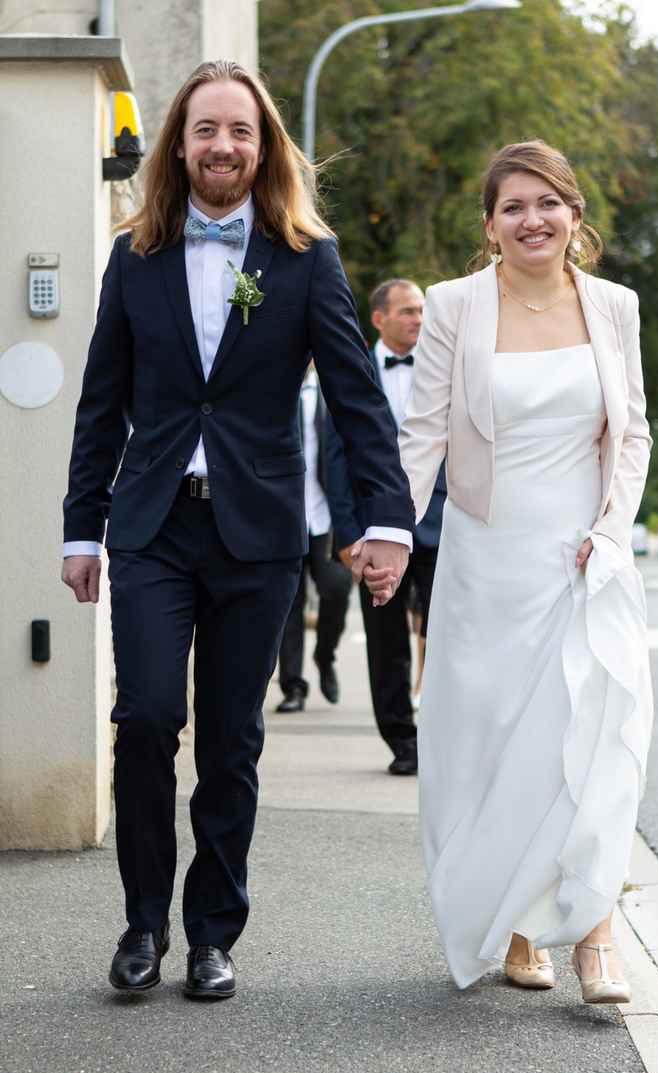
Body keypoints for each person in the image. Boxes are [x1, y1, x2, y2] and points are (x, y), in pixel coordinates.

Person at [61, 60, 413, 1001]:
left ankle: (213, 932)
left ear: (265, 150)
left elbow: (356, 397)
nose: (224, 146)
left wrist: (381, 517)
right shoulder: (135, 254)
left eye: (242, 132)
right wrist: (81, 529)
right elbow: (102, 401)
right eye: (207, 129)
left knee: (231, 740)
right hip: (153, 528)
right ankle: (143, 922)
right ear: (181, 145)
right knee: (144, 720)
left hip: (259, 534)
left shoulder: (307, 257)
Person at [399, 140, 653, 1003]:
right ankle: (513, 928)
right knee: (499, 749)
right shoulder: (452, 307)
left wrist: (612, 532)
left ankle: (595, 936)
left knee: (589, 743)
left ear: (576, 216)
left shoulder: (615, 307)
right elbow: (424, 433)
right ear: (490, 225)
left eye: (548, 203)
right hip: (485, 561)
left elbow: (635, 435)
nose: (532, 219)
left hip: (585, 558)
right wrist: (390, 531)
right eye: (513, 206)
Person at [325, 280, 446, 776]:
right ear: (379, 319)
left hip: (441, 527)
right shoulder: (353, 371)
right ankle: (403, 741)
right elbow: (334, 458)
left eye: (422, 311)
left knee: (448, 636)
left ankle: (445, 736)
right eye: (408, 311)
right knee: (386, 641)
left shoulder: (442, 366)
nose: (418, 319)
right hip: (374, 531)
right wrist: (348, 534)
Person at [275, 364, 352, 713]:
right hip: (282, 515)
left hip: (324, 516)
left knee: (336, 589)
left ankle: (325, 655)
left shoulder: (330, 393)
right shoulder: (272, 387)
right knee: (288, 604)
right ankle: (293, 686)